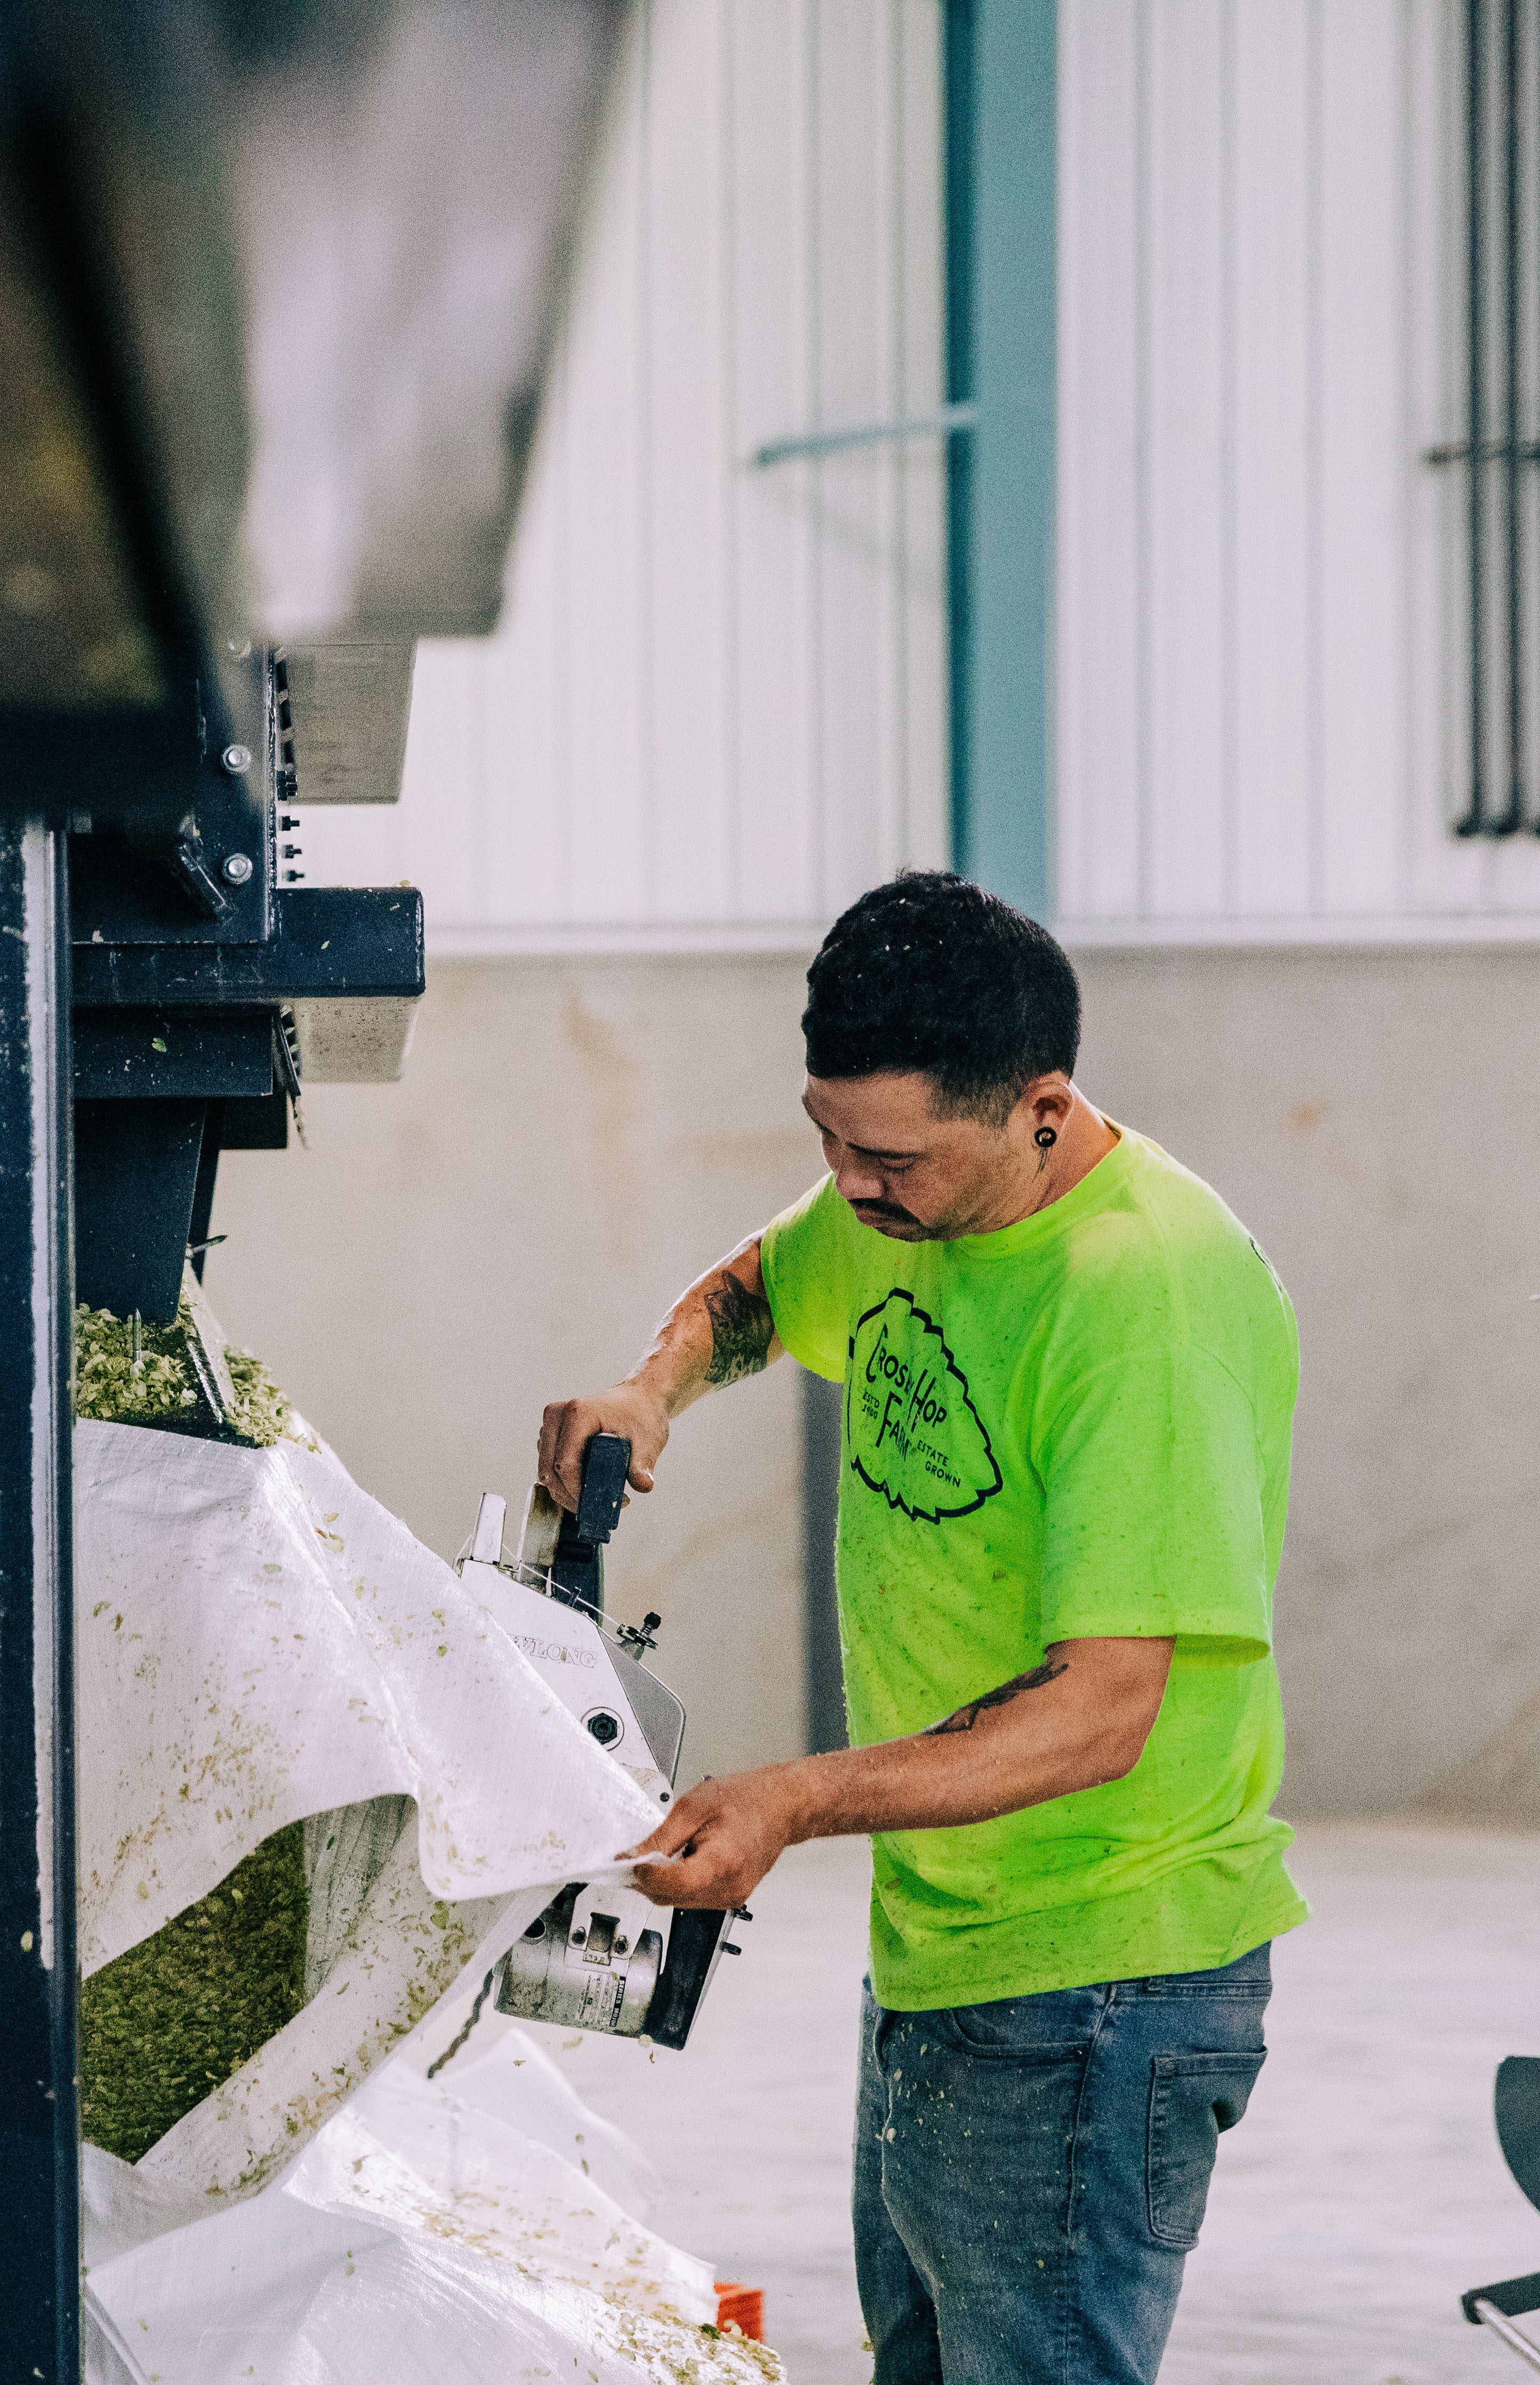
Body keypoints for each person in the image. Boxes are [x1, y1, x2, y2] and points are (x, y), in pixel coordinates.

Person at [536, 870, 1303, 2385]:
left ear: (1041, 1106)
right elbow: (765, 1282)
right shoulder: (901, 1195)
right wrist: (654, 1385)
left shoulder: (1139, 1298)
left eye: (887, 1158)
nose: (852, 1186)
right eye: (824, 1138)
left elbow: (1102, 1710)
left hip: (1096, 1984)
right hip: (950, 1950)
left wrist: (794, 1796)